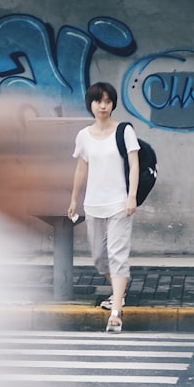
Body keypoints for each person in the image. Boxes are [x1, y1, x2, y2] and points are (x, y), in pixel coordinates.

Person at [68, 81, 140, 333]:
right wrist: (74, 199)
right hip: (94, 204)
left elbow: (134, 165)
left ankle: (117, 311)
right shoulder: (83, 136)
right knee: (100, 259)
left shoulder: (124, 131)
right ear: (91, 104)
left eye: (108, 101)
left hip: (120, 203)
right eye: (99, 101)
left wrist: (131, 197)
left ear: (113, 105)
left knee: (118, 257)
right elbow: (81, 168)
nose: (103, 106)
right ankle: (119, 290)